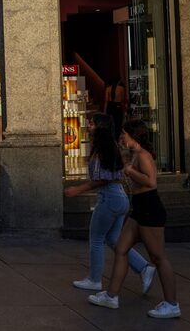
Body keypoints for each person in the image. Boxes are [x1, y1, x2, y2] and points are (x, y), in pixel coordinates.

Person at [89, 119, 181, 319]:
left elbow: (151, 182)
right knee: (121, 249)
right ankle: (111, 296)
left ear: (133, 135)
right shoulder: (133, 154)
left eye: (124, 134)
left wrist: (130, 171)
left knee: (158, 257)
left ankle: (172, 303)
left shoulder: (143, 155)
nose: (122, 137)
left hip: (150, 209)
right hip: (139, 209)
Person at [64, 113, 155, 294]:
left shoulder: (103, 148)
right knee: (114, 239)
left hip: (110, 198)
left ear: (99, 126)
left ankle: (94, 279)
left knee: (96, 239)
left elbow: (102, 179)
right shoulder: (108, 146)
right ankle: (144, 267)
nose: (88, 126)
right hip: (119, 198)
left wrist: (78, 189)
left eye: (91, 123)